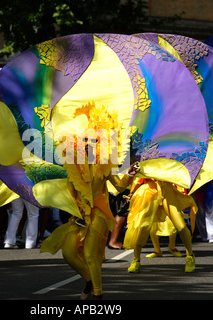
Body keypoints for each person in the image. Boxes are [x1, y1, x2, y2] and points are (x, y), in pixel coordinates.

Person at [40, 102, 139, 300]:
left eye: (93, 141)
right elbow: (69, 192)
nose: (88, 144)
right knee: (68, 253)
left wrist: (129, 175)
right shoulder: (73, 165)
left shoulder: (105, 163)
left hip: (99, 214)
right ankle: (88, 280)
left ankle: (98, 295)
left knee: (91, 255)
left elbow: (118, 186)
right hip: (78, 215)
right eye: (85, 140)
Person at [124, 178, 197, 274]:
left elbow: (177, 173)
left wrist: (180, 188)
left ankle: (190, 256)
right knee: (142, 227)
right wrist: (132, 192)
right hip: (149, 192)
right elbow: (139, 177)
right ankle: (136, 260)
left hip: (167, 191)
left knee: (181, 226)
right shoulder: (144, 163)